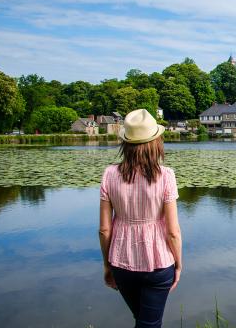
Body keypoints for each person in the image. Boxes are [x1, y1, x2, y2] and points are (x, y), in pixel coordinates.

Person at [98, 109, 182, 328]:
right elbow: (173, 231)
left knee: (143, 321)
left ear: (126, 143)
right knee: (149, 324)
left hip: (121, 261)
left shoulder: (109, 174)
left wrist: (107, 266)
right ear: (156, 142)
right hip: (159, 263)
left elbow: (104, 230)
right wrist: (179, 264)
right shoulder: (166, 176)